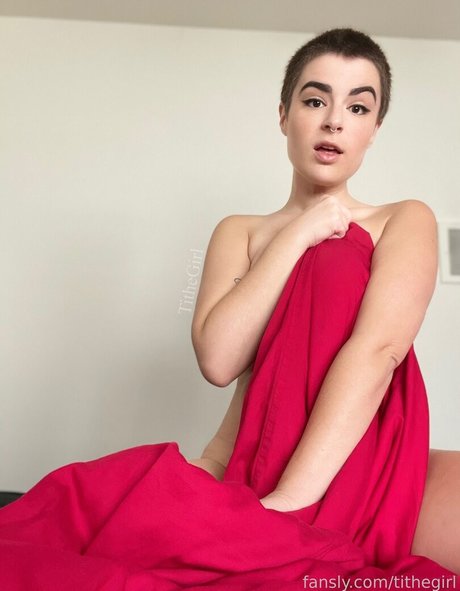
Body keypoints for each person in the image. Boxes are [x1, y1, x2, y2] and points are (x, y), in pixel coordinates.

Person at [188, 28, 460, 574]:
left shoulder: (402, 218)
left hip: (358, 461)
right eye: (315, 101)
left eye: (358, 108)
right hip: (250, 461)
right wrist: (297, 234)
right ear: (284, 115)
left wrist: (290, 501)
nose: (334, 121)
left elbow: (380, 350)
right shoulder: (239, 231)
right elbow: (219, 361)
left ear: (374, 129)